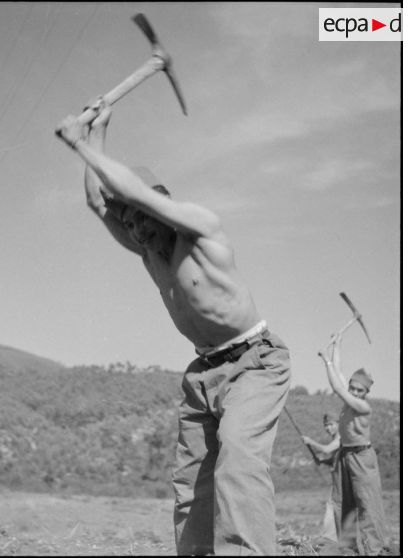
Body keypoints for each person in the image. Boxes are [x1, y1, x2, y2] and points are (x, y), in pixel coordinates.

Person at [55, 100, 291, 555]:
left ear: (160, 204)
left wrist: (82, 147)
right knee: (192, 483)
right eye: (128, 222)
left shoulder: (202, 231)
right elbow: (96, 200)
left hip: (254, 362)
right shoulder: (151, 254)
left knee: (238, 465)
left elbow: (134, 195)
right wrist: (99, 130)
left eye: (140, 217)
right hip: (203, 374)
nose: (135, 229)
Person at [317, 333, 389, 555]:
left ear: (366, 393)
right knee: (344, 503)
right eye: (354, 388)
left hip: (362, 457)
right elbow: (339, 376)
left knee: (367, 504)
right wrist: (337, 345)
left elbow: (338, 387)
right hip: (346, 455)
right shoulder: (348, 397)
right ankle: (348, 548)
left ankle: (375, 549)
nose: (356, 392)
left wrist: (325, 359)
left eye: (361, 391)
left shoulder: (361, 406)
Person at [301, 411, 340, 542]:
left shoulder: (343, 437)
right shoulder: (335, 439)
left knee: (334, 506)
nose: (328, 428)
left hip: (344, 482)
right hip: (336, 481)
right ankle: (332, 537)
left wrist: (310, 441)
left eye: (331, 424)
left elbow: (327, 450)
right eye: (326, 425)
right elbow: (333, 458)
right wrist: (322, 461)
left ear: (338, 424)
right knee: (332, 506)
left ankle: (330, 538)